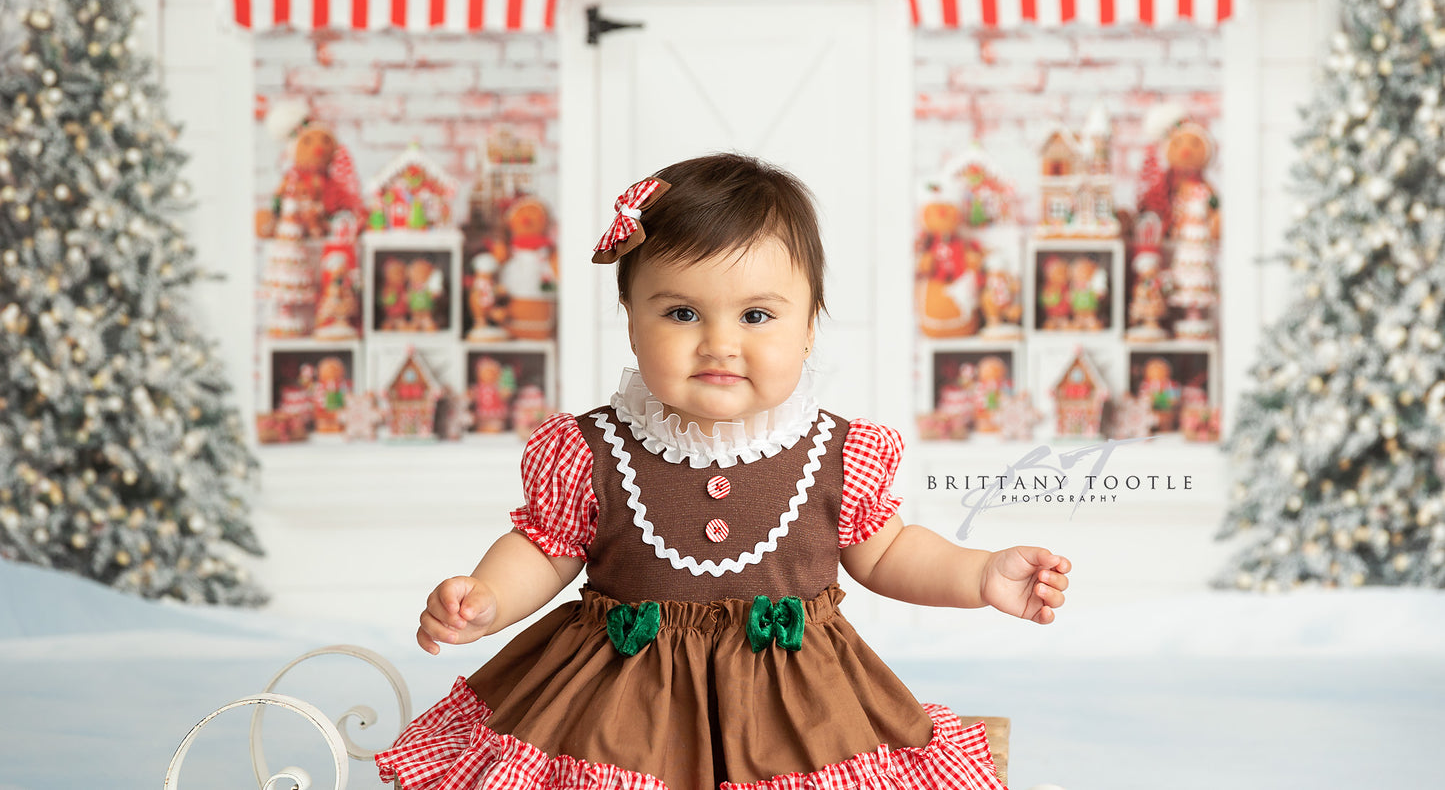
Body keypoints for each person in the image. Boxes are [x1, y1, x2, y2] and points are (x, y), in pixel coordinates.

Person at [376, 153, 1071, 790]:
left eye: (756, 314)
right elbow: (545, 548)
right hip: (619, 706)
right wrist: (488, 596)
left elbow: (887, 550)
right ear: (629, 321)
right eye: (680, 311)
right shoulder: (590, 448)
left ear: (807, 326)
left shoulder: (836, 451)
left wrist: (978, 574)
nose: (719, 342)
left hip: (797, 709)